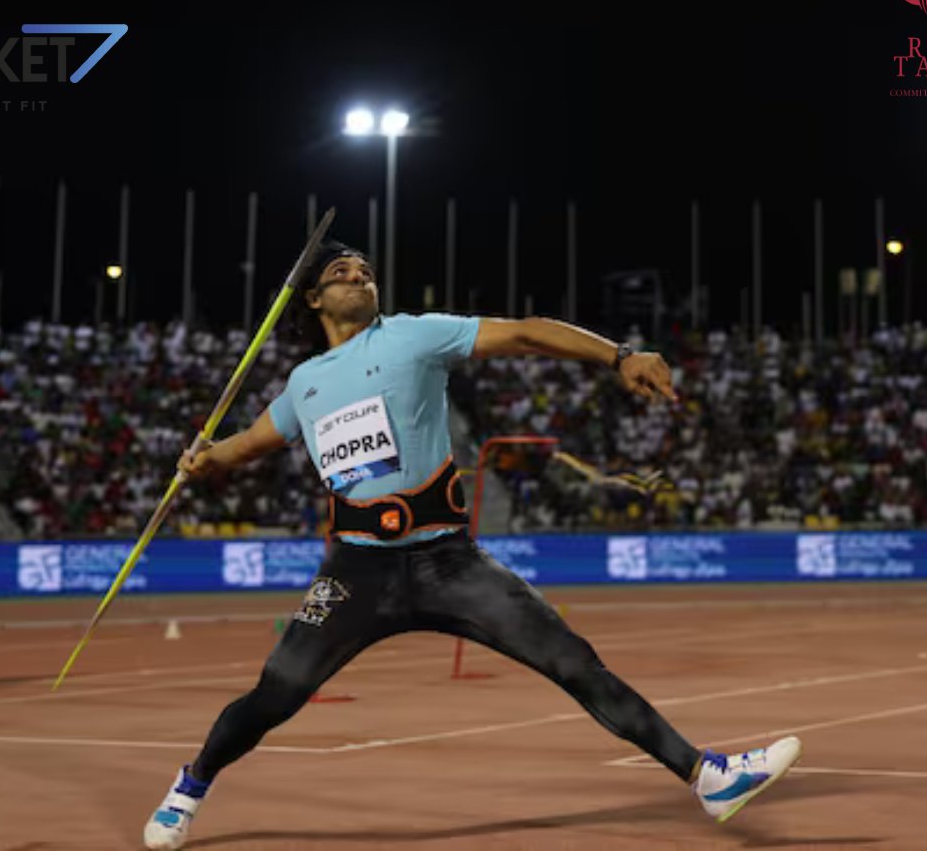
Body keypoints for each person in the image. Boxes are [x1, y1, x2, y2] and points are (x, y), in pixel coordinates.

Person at [143, 241, 801, 850]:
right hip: (356, 572)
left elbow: (525, 331)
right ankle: (188, 788)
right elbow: (248, 443)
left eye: (366, 270)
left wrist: (619, 354)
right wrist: (205, 459)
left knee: (572, 660)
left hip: (447, 562)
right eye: (341, 273)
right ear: (312, 298)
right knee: (274, 694)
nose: (360, 277)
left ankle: (706, 776)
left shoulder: (413, 334)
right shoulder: (303, 384)